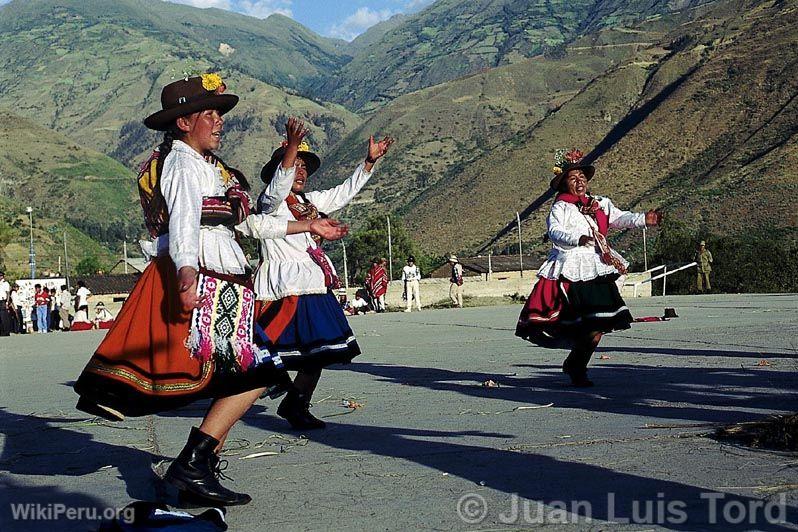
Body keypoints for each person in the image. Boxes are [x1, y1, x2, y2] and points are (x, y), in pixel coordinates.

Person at [73, 75, 348, 507]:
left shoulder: (209, 167)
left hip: (223, 278)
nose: (219, 122)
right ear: (184, 123)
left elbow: (249, 224)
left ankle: (195, 466)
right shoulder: (182, 163)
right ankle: (193, 465)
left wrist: (308, 224)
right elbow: (183, 221)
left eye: (219, 114)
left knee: (248, 375)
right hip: (204, 277)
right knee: (255, 374)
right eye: (210, 114)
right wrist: (185, 273)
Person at [246, 117, 393, 430]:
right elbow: (277, 187)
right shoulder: (270, 203)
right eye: (294, 165)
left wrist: (368, 163)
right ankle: (235, 406)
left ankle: (296, 403)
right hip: (283, 288)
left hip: (311, 285)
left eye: (304, 167)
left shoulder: (308, 203)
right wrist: (291, 149)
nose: (300, 172)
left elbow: (342, 193)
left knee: (320, 352)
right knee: (271, 354)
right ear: (279, 170)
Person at [515, 149, 662, 387]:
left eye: (582, 176)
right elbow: (555, 232)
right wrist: (578, 239)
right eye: (573, 178)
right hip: (572, 268)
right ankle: (578, 367)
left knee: (602, 321)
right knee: (587, 323)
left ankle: (576, 363)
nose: (579, 181)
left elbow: (619, 218)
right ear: (564, 183)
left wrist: (643, 219)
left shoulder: (599, 204)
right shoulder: (560, 207)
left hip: (598, 266)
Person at [0, 272, 11, 337]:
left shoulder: (5, 283)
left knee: (4, 317)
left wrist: (7, 302)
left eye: (1, 276)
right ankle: (1, 331)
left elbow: (8, 293)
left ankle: (6, 332)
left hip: (3, 301)